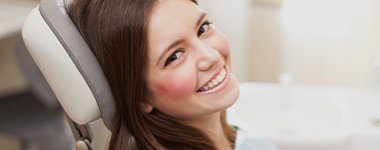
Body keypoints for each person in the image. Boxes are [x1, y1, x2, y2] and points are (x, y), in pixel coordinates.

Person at [67, 0, 277, 149]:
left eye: (203, 29)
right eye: (175, 56)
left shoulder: (238, 138)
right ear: (139, 96)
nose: (211, 56)